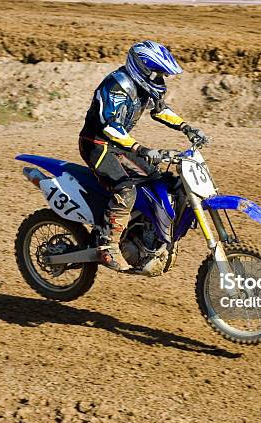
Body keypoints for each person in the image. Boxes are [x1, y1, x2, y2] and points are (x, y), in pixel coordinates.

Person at [79, 40, 208, 271]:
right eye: (158, 73)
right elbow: (109, 127)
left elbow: (160, 110)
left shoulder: (145, 87)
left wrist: (187, 128)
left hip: (120, 146)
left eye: (162, 75)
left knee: (159, 181)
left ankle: (144, 235)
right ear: (143, 69)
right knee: (126, 190)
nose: (160, 79)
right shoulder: (116, 86)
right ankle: (107, 246)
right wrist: (142, 149)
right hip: (97, 145)